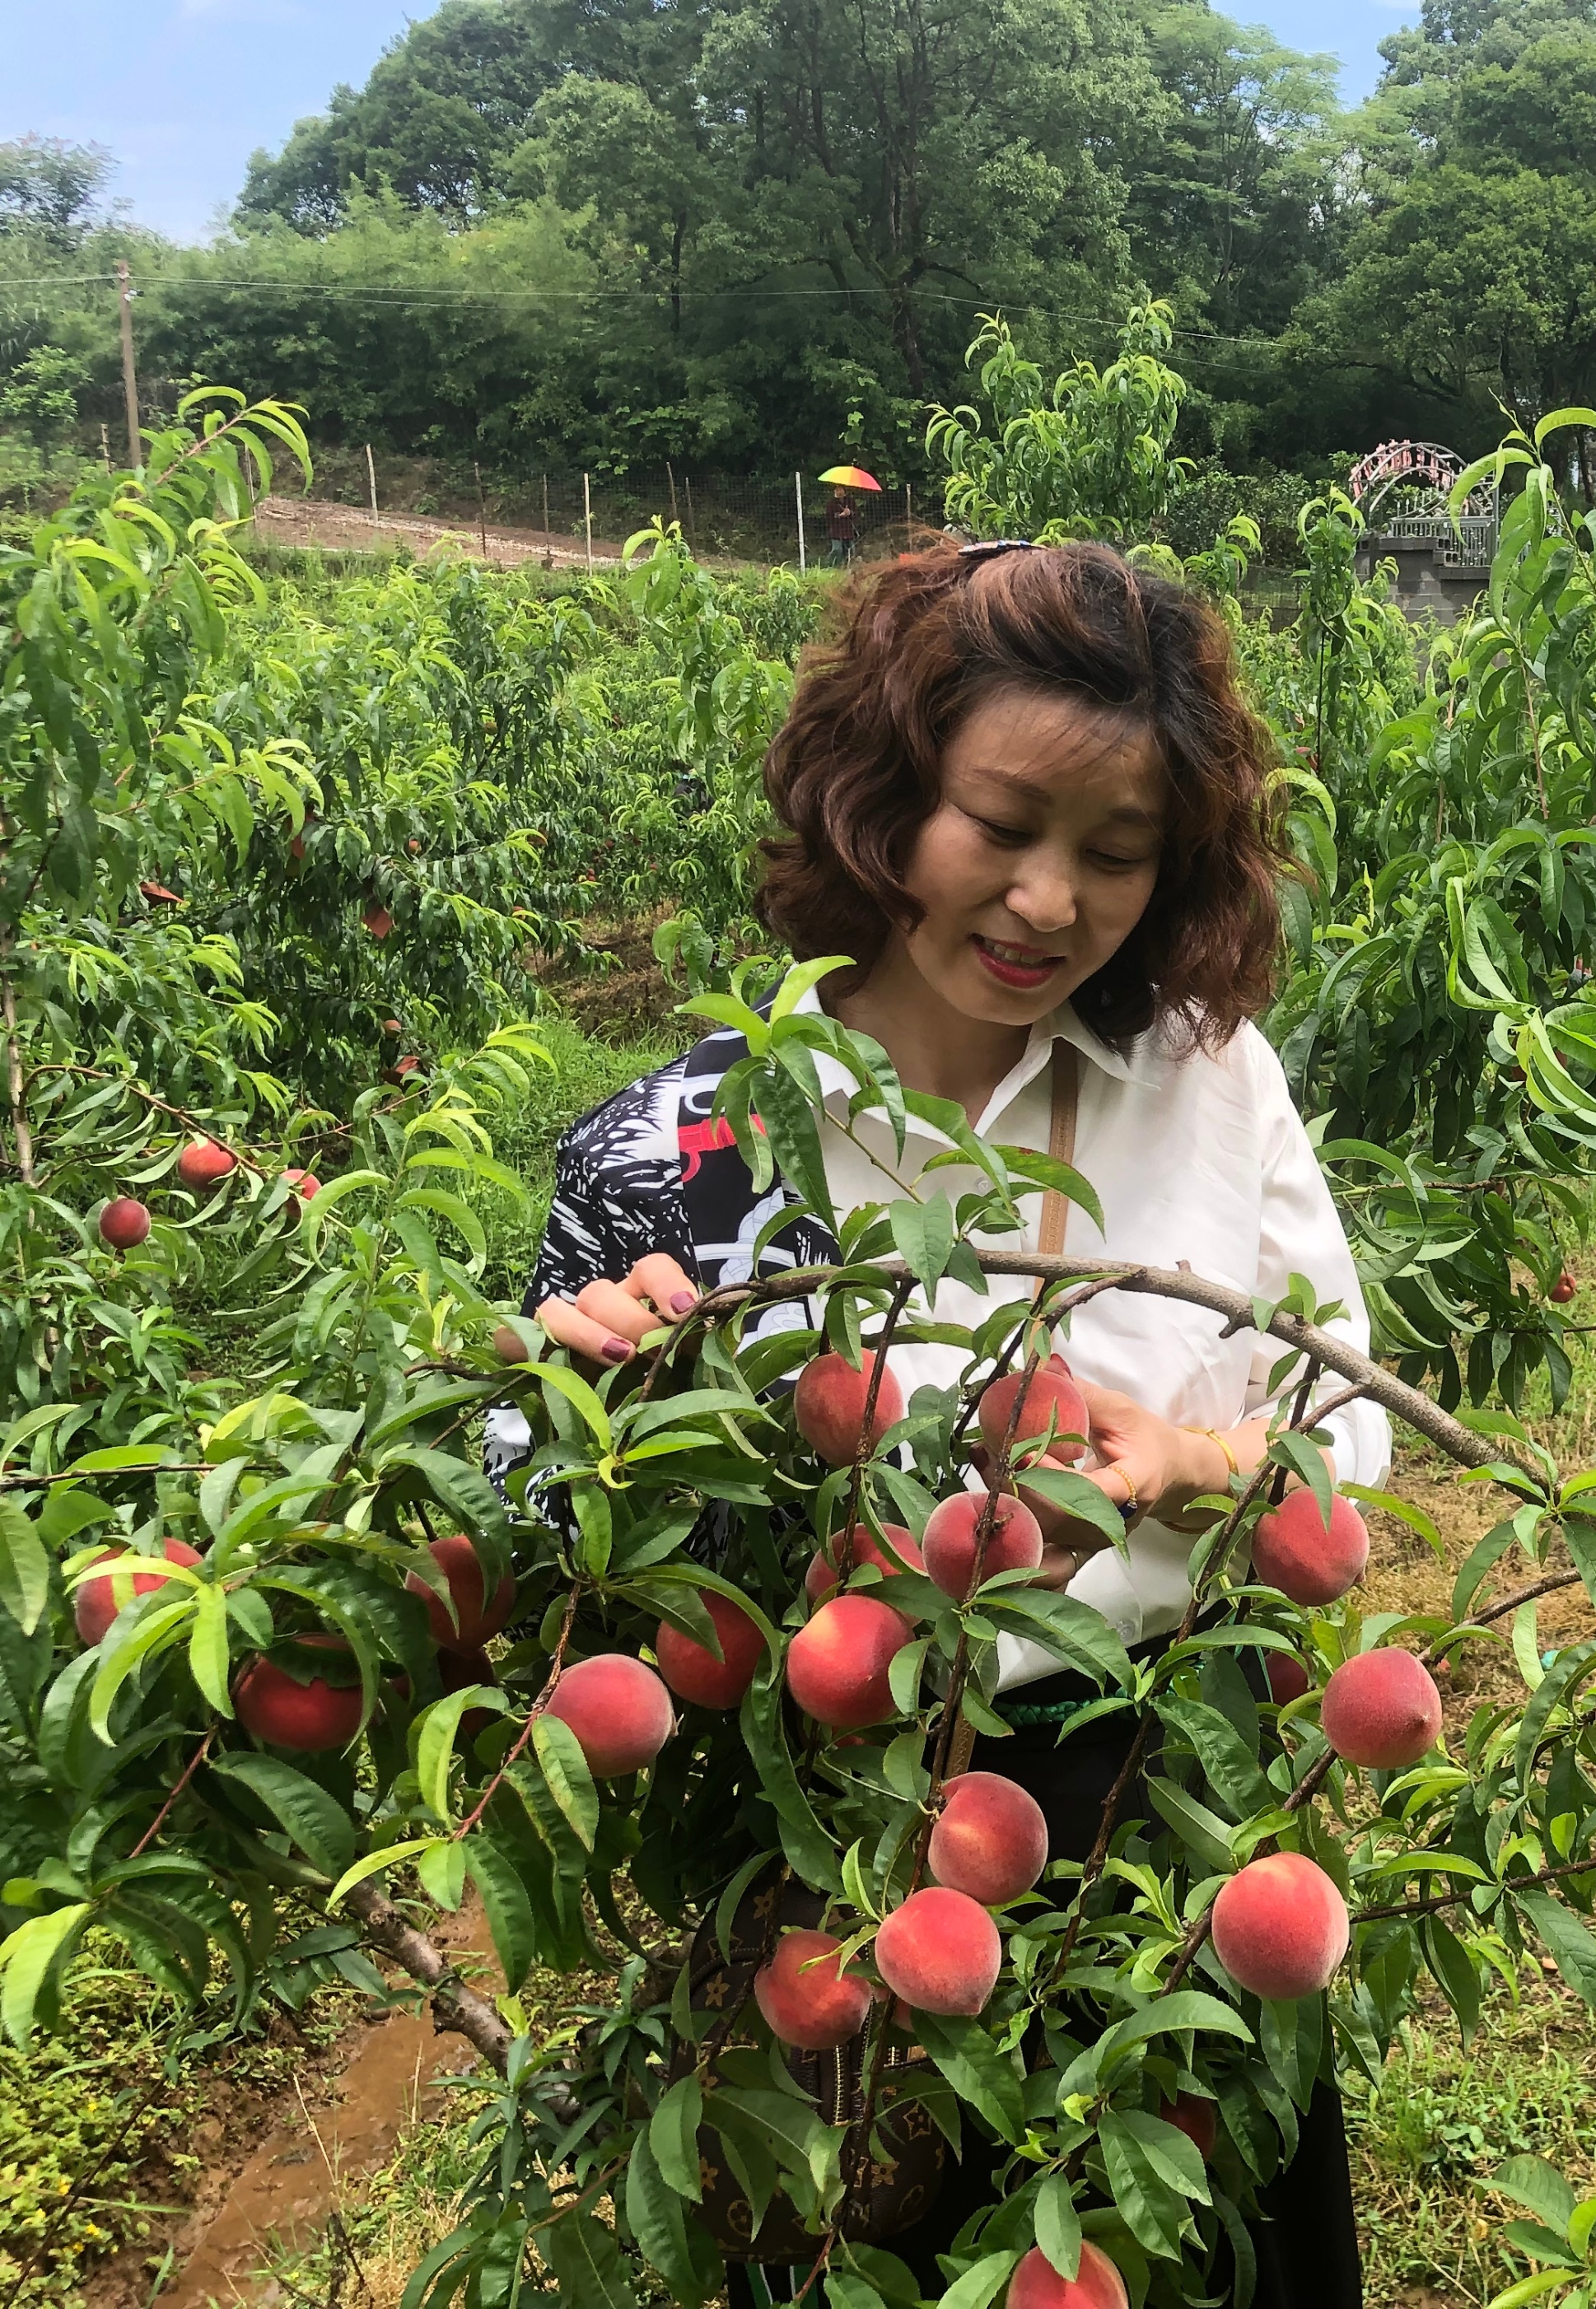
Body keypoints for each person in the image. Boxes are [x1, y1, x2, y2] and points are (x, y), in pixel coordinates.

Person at [519, 538, 1383, 2302]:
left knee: (1182, 2246)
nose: (1051, 903)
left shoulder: (1207, 1078)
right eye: (1002, 825)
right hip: (835, 1843)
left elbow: (1341, 1433)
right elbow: (536, 1531)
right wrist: (590, 1411)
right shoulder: (689, 1153)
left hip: (1159, 1803)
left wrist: (1192, 1463)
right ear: (880, 796)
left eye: (1116, 855)